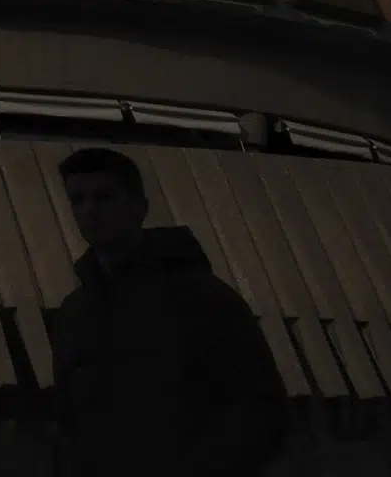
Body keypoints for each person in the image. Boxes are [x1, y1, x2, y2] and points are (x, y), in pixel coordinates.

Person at [52, 146, 289, 477]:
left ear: (139, 207)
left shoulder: (205, 301)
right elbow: (68, 422)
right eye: (78, 200)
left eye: (103, 197)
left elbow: (261, 412)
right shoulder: (74, 314)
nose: (89, 210)